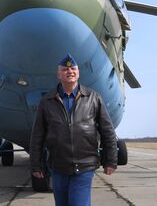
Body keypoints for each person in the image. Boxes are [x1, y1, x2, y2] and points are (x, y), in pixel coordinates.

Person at [30, 53, 117, 206]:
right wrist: (36, 164)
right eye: (65, 70)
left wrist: (110, 160)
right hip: (58, 166)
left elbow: (107, 131)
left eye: (73, 69)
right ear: (58, 74)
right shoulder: (47, 101)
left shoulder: (93, 98)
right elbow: (38, 135)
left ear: (78, 73)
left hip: (85, 165)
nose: (69, 72)